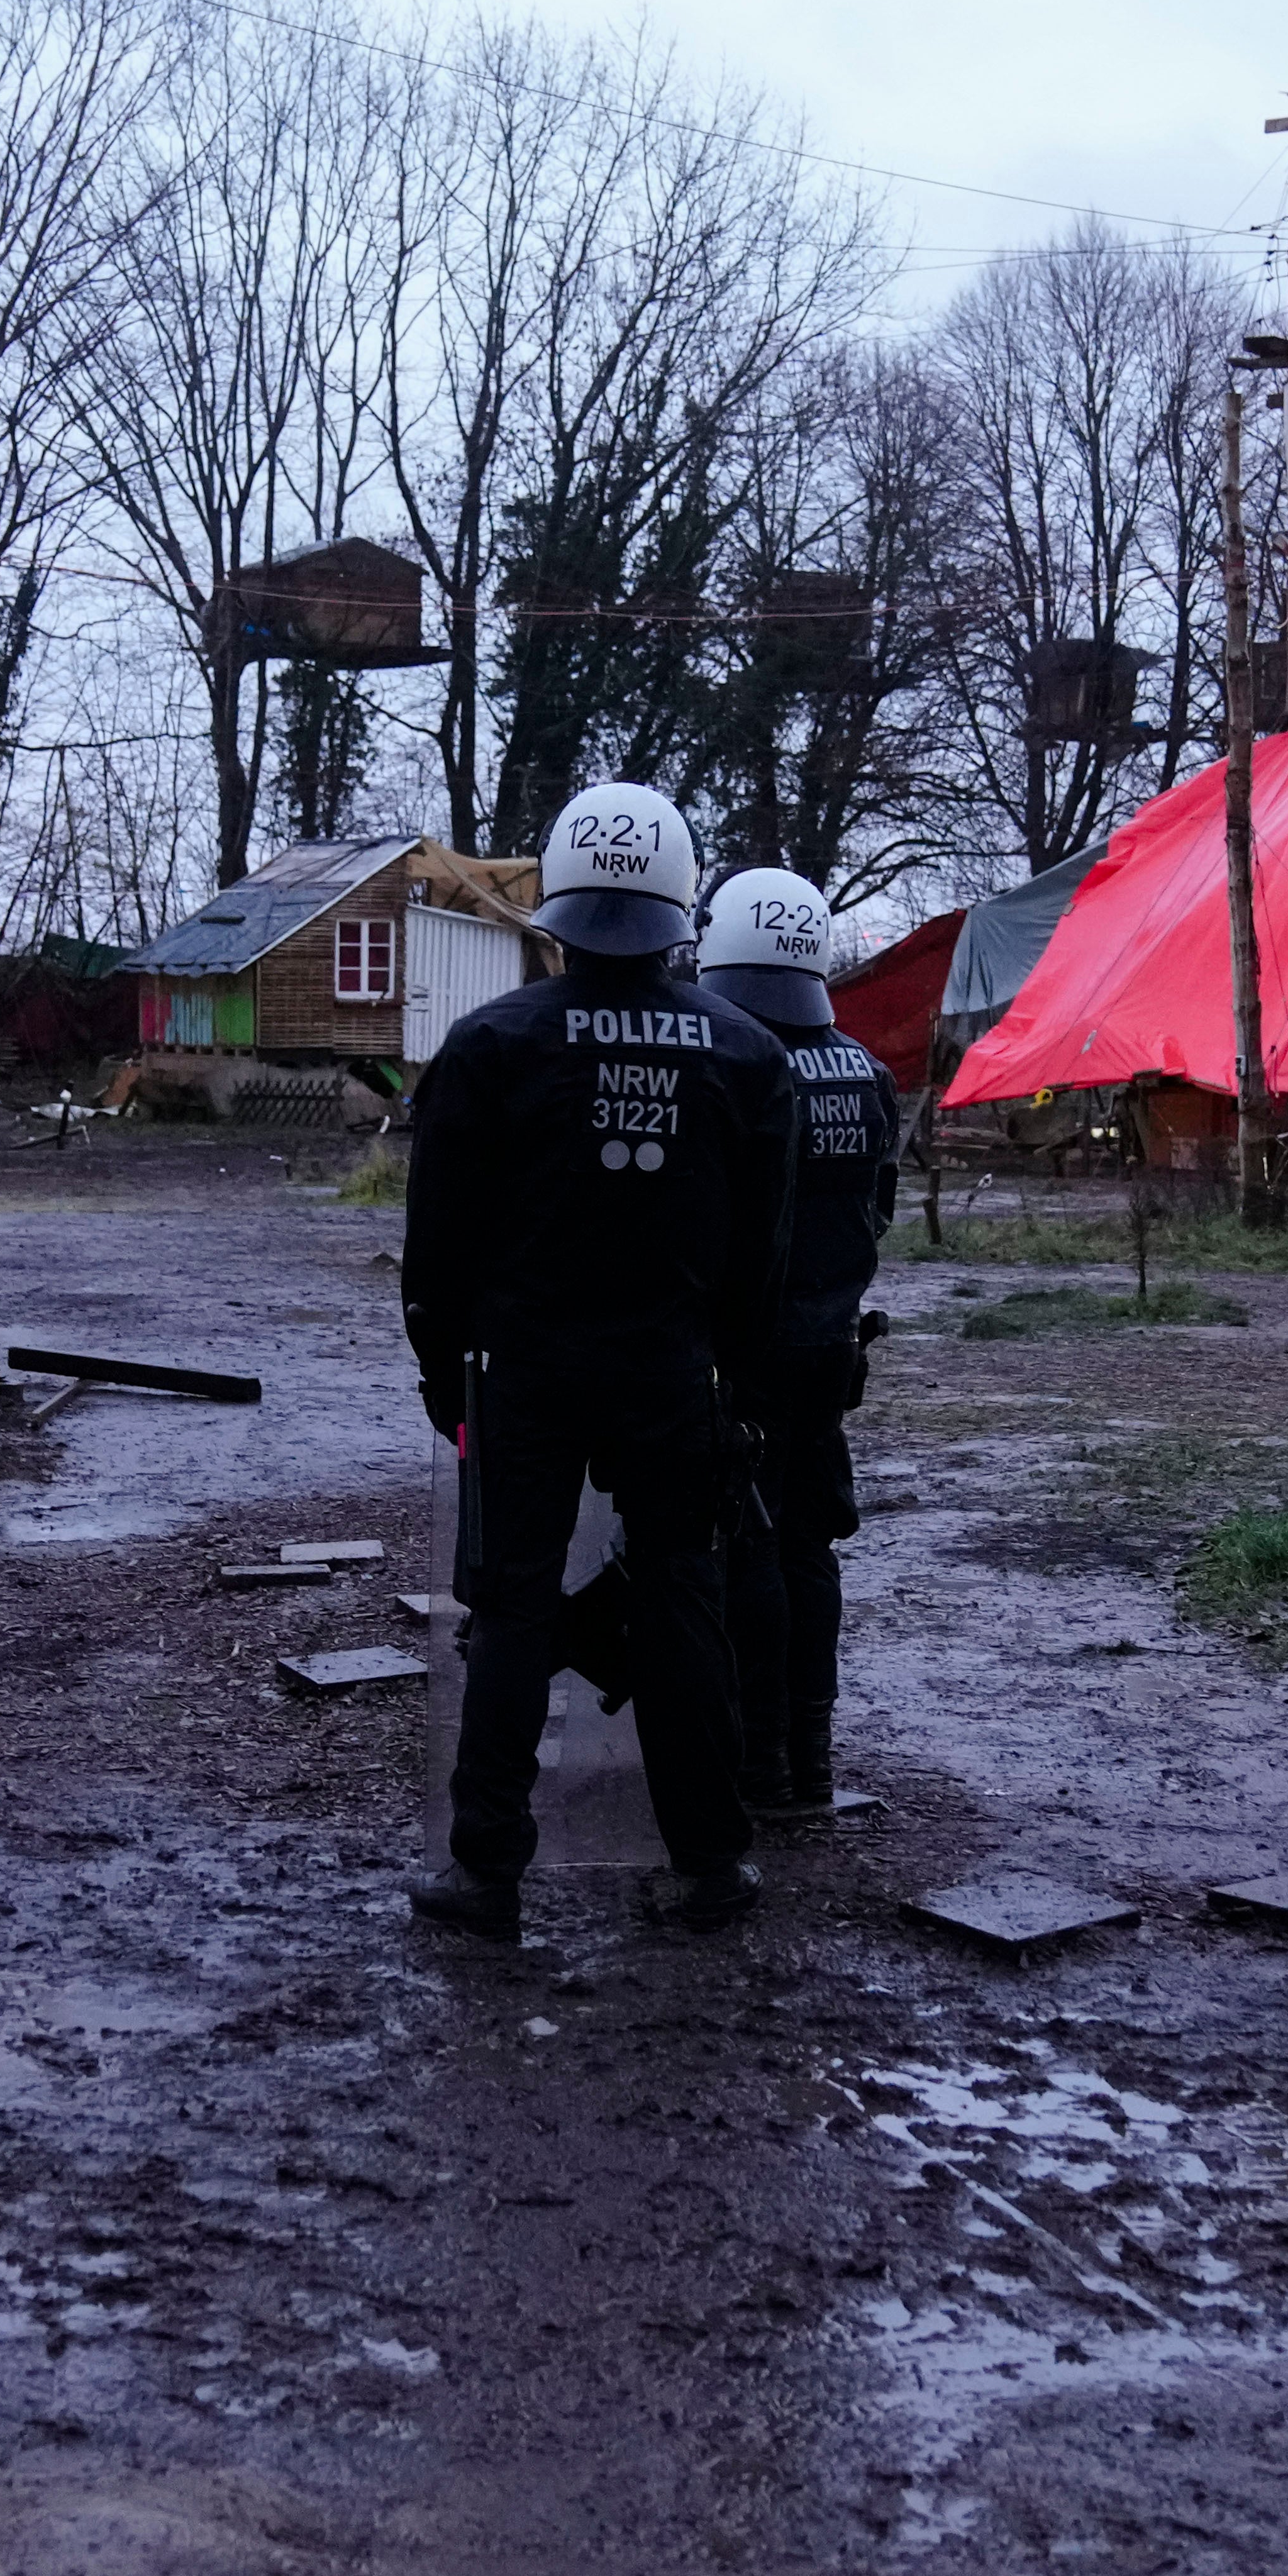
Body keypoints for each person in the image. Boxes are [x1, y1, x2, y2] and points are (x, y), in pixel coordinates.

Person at [402, 782, 796, 1942]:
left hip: (522, 1372)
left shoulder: (489, 1046)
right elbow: (759, 1262)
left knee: (511, 1608)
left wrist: (446, 1374)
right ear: (682, 902)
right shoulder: (745, 1051)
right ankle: (713, 1858)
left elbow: (438, 1245)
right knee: (683, 1597)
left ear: (557, 905)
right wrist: (734, 1384)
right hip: (675, 1375)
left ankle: (486, 1875)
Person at [695, 865, 896, 1818]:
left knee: (750, 1549)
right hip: (833, 1348)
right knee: (813, 1547)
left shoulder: (734, 1064)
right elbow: (877, 1211)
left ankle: (760, 1766)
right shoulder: (868, 1073)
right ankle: (812, 1761)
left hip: (747, 1354)